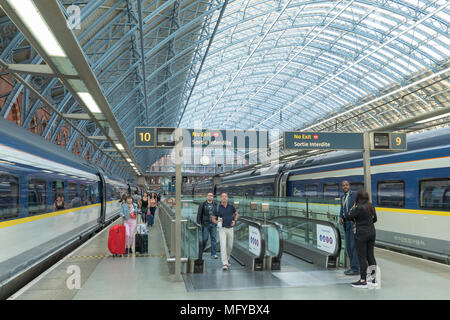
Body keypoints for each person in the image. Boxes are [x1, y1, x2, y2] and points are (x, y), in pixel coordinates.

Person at [346, 189, 378, 288]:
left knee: (362, 257)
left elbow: (348, 216)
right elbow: (375, 219)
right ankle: (373, 279)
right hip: (372, 232)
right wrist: (368, 223)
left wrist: (353, 208)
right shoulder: (371, 205)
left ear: (358, 197)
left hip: (361, 234)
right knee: (370, 255)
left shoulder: (358, 208)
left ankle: (363, 280)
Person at [212, 192, 239, 270]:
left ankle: (227, 258)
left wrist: (235, 221)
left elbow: (236, 214)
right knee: (223, 245)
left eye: (225, 196)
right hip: (222, 229)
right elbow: (213, 218)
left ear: (227, 198)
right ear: (220, 198)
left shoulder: (231, 206)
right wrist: (217, 223)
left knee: (230, 246)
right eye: (222, 196)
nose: (224, 198)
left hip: (230, 228)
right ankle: (225, 263)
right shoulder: (217, 207)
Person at [339, 180, 359, 275]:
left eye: (347, 185)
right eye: (343, 185)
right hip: (346, 223)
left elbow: (357, 207)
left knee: (353, 246)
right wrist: (341, 217)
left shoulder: (354, 195)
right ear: (341, 187)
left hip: (353, 223)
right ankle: (352, 266)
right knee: (348, 247)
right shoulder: (342, 197)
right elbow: (342, 209)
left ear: (349, 186)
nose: (345, 187)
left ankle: (355, 268)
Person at [196, 192, 218, 259]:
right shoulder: (202, 204)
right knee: (204, 239)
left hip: (213, 224)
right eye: (209, 195)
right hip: (205, 224)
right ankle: (201, 252)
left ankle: (213, 254)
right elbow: (199, 214)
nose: (210, 197)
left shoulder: (215, 204)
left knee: (213, 239)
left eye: (211, 196)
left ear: (212, 197)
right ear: (207, 197)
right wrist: (198, 223)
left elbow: (218, 214)